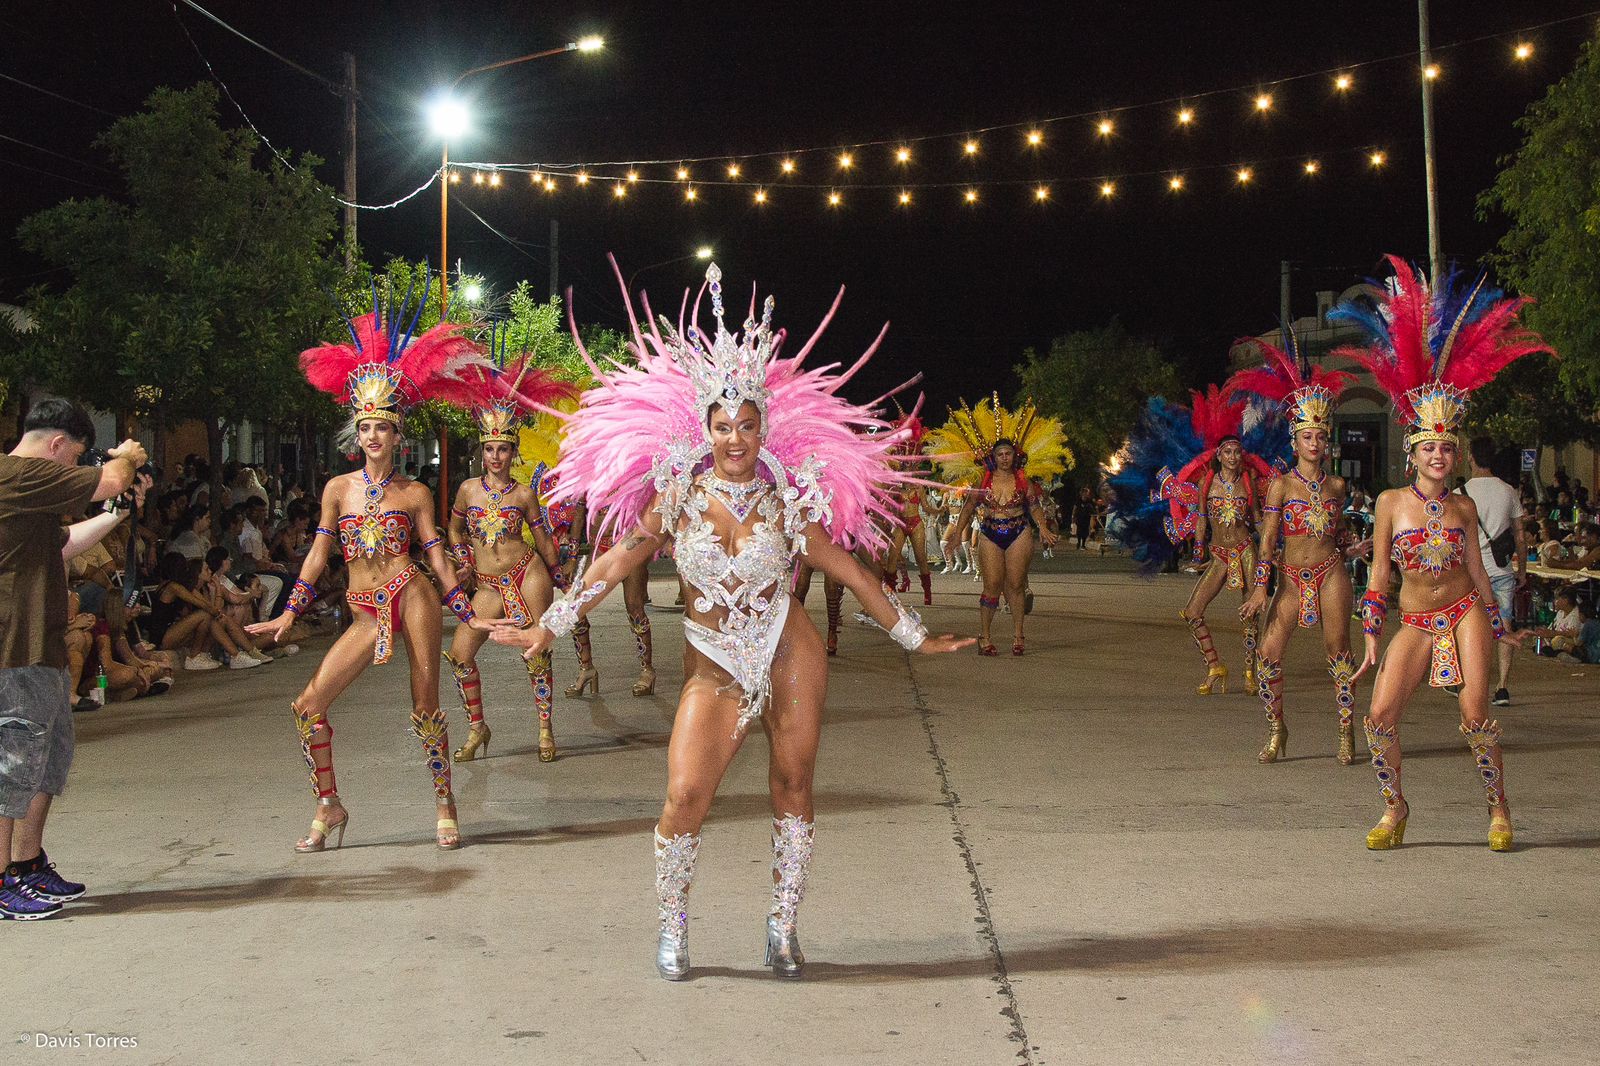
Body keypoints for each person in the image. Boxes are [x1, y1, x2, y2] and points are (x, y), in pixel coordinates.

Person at [491, 261, 970, 980]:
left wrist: (915, 635)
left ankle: (782, 926)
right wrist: (547, 627)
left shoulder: (788, 501)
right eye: (723, 426)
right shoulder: (676, 497)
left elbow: (850, 573)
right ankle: (674, 926)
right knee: (685, 794)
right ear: (705, 427)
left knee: (793, 786)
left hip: (788, 650)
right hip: (713, 664)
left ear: (765, 426)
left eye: (748, 425)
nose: (736, 439)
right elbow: (615, 562)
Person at [249, 268, 496, 852]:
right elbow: (316, 554)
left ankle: (444, 800)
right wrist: (289, 614)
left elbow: (435, 557)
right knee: (308, 705)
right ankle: (329, 805)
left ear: (397, 432)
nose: (373, 436)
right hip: (363, 609)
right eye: (365, 427)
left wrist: (464, 608)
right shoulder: (337, 489)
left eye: (382, 426)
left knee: (424, 704)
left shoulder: (413, 494)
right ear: (356, 433)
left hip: (410, 594)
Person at [1336, 256, 1545, 852]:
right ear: (1414, 451)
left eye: (1446, 449)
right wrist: (1373, 632)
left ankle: (1498, 808)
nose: (1439, 457)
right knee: (1379, 717)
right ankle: (1395, 808)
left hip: (1462, 613)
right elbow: (1379, 569)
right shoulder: (1388, 503)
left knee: (1475, 713)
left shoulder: (1463, 509)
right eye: (1429, 447)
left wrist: (1500, 621)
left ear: (1453, 455)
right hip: (1415, 619)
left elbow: (1478, 569)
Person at [1, 399, 148, 919]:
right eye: (75, 456)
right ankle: (3, 879)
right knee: (12, 766)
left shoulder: (29, 497)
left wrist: (119, 512)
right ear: (58, 445)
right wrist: (125, 457)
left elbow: (64, 545)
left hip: (42, 645)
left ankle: (27, 865)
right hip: (13, 648)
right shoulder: (19, 474)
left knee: (48, 759)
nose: (73, 469)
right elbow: (107, 479)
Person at [1232, 332, 1361, 763]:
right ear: (1295, 441)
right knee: (1268, 655)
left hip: (1330, 572)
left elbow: (1336, 532)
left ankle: (1345, 732)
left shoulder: (1338, 486)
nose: (1315, 443)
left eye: (1321, 437)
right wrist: (1259, 589)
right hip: (1289, 576)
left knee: (1338, 650)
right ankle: (1277, 729)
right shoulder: (1281, 485)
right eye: (1308, 436)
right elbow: (1268, 539)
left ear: (1326, 442)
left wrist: (1351, 544)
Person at [443, 333, 573, 762]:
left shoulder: (523, 494)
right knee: (460, 654)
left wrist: (558, 574)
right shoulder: (466, 491)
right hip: (486, 584)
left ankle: (544, 728)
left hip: (526, 572)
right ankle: (478, 728)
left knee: (535, 651)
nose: (495, 456)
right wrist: (461, 560)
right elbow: (454, 528)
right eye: (489, 449)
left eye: (503, 449)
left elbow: (542, 536)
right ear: (482, 452)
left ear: (512, 452)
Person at [1113, 385, 1287, 696]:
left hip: (1246, 551)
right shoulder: (1207, 483)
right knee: (1193, 612)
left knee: (1249, 614)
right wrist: (1197, 552)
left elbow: (1260, 519)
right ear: (1218, 456)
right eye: (1227, 452)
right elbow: (1202, 519)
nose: (1233, 457)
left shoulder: (1250, 482)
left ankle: (1250, 671)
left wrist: (1270, 550)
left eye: (1236, 452)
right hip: (1219, 554)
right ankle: (1214, 666)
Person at [930, 396, 1069, 655]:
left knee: (1015, 586)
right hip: (990, 533)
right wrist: (957, 533)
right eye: (1000, 455)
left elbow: (1034, 506)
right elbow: (969, 507)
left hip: (1019, 531)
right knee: (991, 586)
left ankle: (1018, 636)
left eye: (1008, 454)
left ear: (1015, 456)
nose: (1005, 458)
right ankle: (985, 637)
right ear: (994, 458)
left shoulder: (1023, 481)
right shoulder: (983, 481)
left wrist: (1044, 528)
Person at [1462, 437, 1527, 707]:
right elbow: (1520, 535)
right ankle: (1502, 687)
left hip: (1470, 572)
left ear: (1471, 458)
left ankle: (1467, 680)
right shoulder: (1508, 491)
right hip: (1502, 569)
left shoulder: (1460, 492)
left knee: (1468, 625)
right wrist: (1521, 569)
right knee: (1505, 622)